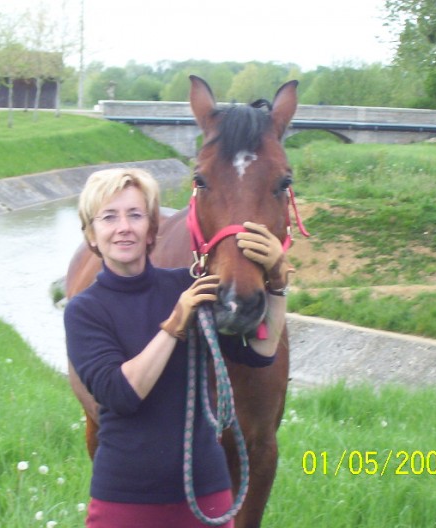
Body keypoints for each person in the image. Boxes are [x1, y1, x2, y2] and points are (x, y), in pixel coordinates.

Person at [64, 168, 289, 528]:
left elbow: (259, 354)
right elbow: (120, 395)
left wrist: (277, 284)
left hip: (206, 493)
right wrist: (173, 326)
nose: (124, 227)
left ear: (152, 229)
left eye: (135, 215)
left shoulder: (189, 286)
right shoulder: (84, 310)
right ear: (91, 233)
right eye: (109, 217)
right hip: (124, 499)